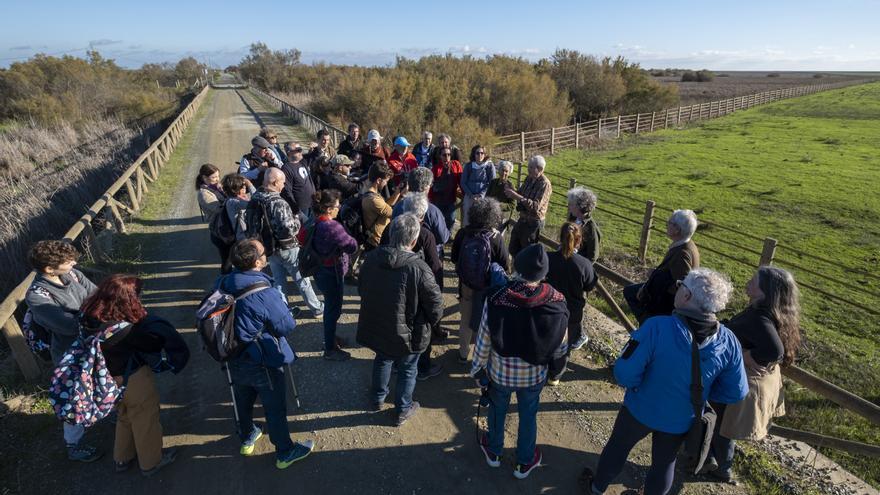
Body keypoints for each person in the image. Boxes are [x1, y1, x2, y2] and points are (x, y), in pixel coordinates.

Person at [581, 268, 748, 495]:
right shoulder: (729, 341)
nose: (678, 288)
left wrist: (639, 385)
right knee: (664, 464)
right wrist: (702, 392)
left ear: (687, 296)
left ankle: (597, 487)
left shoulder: (656, 327)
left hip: (640, 409)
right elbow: (736, 391)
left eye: (681, 285)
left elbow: (624, 373)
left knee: (618, 448)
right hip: (681, 418)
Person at [471, 243, 569, 480]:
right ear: (543, 273)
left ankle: (493, 451)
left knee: (497, 410)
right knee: (528, 414)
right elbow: (561, 344)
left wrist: (477, 369)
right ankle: (525, 461)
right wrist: (556, 371)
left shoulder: (496, 298)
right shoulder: (557, 300)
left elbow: (484, 338)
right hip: (534, 374)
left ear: (517, 269)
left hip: (500, 372)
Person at [217, 239, 315, 469]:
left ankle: (248, 436)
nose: (266, 254)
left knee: (242, 397)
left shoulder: (222, 281)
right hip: (262, 357)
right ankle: (284, 452)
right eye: (263, 252)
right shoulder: (263, 292)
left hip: (232, 354)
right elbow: (285, 326)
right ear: (256, 261)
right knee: (274, 406)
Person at [705, 267, 802, 485]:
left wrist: (747, 355)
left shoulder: (760, 317)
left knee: (721, 422)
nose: (748, 281)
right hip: (748, 379)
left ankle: (720, 466)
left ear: (764, 290)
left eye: (754, 280)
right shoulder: (770, 312)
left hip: (741, 381)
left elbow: (775, 351)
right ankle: (711, 459)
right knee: (720, 420)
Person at [79, 275, 181, 477]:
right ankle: (151, 462)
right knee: (145, 418)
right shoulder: (125, 330)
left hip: (106, 379)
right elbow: (152, 344)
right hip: (133, 378)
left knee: (124, 415)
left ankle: (122, 458)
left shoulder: (89, 319)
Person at [356, 214, 444, 425]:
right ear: (413, 241)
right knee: (407, 368)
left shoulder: (372, 258)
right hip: (410, 332)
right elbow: (435, 305)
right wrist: (431, 323)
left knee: (383, 358)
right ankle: (403, 408)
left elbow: (362, 289)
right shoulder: (420, 268)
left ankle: (377, 398)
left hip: (378, 324)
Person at [24, 240, 100, 462]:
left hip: (93, 342)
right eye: (68, 261)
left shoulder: (72, 274)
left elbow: (96, 294)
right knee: (74, 398)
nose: (74, 263)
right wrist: (94, 314)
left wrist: (92, 313)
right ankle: (74, 444)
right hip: (70, 354)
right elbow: (67, 326)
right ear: (49, 268)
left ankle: (110, 412)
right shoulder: (37, 296)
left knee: (104, 380)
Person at [248, 168, 324, 317]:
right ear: (275, 182)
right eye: (282, 182)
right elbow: (289, 229)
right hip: (287, 247)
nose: (283, 185)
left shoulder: (256, 197)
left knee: (278, 281)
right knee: (302, 279)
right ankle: (317, 308)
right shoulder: (278, 202)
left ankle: (283, 311)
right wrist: (296, 219)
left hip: (268, 248)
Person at [451, 198, 510, 363]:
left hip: (467, 285)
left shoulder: (463, 233)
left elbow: (455, 258)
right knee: (483, 323)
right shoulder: (496, 237)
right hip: (488, 287)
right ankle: (480, 358)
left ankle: (463, 354)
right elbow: (505, 265)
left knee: (465, 320)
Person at [392, 195, 443, 381]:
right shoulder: (425, 234)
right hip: (419, 288)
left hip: (395, 285)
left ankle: (397, 363)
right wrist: (437, 289)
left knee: (397, 325)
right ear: (423, 214)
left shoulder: (394, 226)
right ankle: (423, 367)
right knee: (421, 328)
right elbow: (434, 265)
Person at [623, 209, 700, 323]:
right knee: (630, 291)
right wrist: (656, 273)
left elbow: (683, 285)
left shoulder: (682, 253)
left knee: (630, 293)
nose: (667, 225)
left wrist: (651, 286)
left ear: (677, 229)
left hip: (664, 301)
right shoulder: (685, 244)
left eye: (670, 223)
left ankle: (648, 325)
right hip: (663, 296)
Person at [545, 223, 598, 384]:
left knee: (546, 336)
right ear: (579, 241)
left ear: (559, 238)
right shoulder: (584, 264)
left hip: (548, 306)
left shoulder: (548, 258)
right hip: (572, 311)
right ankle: (555, 375)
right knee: (565, 344)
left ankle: (541, 365)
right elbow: (590, 285)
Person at [310, 189, 359, 361]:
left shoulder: (313, 220)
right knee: (333, 310)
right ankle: (330, 348)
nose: (339, 208)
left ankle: (331, 338)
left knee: (331, 306)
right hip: (333, 272)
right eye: (337, 206)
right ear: (329, 209)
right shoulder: (332, 226)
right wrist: (347, 229)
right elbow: (352, 246)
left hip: (319, 270)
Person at [392, 167, 450, 251]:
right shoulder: (433, 211)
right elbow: (443, 237)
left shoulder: (398, 207)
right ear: (426, 187)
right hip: (428, 255)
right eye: (430, 185)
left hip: (401, 252)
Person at [505, 155, 552, 258]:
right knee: (513, 247)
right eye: (529, 166)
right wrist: (511, 190)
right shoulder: (529, 178)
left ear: (540, 169)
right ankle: (515, 271)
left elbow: (536, 206)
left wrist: (516, 196)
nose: (528, 169)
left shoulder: (545, 184)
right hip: (522, 218)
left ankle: (522, 273)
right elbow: (520, 194)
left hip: (533, 223)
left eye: (531, 167)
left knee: (526, 253)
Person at [362, 161, 406, 251]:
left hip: (378, 239)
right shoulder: (373, 200)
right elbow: (394, 213)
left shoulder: (372, 194)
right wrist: (403, 196)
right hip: (376, 242)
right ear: (379, 180)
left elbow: (386, 205)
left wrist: (398, 192)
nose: (386, 184)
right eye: (386, 181)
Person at [196, 164, 230, 267]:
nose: (217, 179)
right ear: (204, 178)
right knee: (227, 262)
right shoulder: (204, 194)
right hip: (219, 230)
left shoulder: (217, 188)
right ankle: (225, 281)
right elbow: (219, 209)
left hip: (227, 227)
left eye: (218, 176)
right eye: (214, 177)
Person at [460, 145, 495, 228]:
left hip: (484, 197)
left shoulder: (489, 166)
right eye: (477, 153)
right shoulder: (469, 166)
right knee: (467, 219)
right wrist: (471, 195)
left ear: (485, 154)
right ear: (473, 154)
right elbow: (463, 182)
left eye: (482, 153)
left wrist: (481, 195)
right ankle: (466, 238)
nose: (480, 155)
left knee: (482, 219)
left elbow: (491, 183)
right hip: (469, 196)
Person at [429, 146, 463, 230]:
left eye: (449, 154)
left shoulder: (456, 165)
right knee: (438, 220)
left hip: (451, 199)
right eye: (444, 155)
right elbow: (430, 186)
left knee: (451, 219)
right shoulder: (435, 169)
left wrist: (464, 193)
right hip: (438, 200)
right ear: (440, 156)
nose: (447, 157)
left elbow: (461, 180)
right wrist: (430, 199)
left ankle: (448, 236)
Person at [280, 141, 316, 217]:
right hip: (300, 207)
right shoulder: (286, 168)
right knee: (304, 228)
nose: (301, 151)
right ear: (289, 153)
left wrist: (316, 147)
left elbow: (315, 155)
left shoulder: (302, 162)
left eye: (301, 149)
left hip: (312, 203)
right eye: (298, 150)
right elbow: (287, 191)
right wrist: (295, 209)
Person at [567, 187, 601, 262]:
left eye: (571, 204)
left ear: (580, 207)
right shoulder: (572, 219)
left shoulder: (591, 228)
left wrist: (581, 268)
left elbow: (592, 256)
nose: (569, 207)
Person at [221, 173, 255, 245]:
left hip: (246, 234)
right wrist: (250, 185)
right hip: (244, 238)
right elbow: (256, 202)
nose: (245, 188)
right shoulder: (233, 202)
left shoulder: (239, 198)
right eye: (243, 187)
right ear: (236, 189)